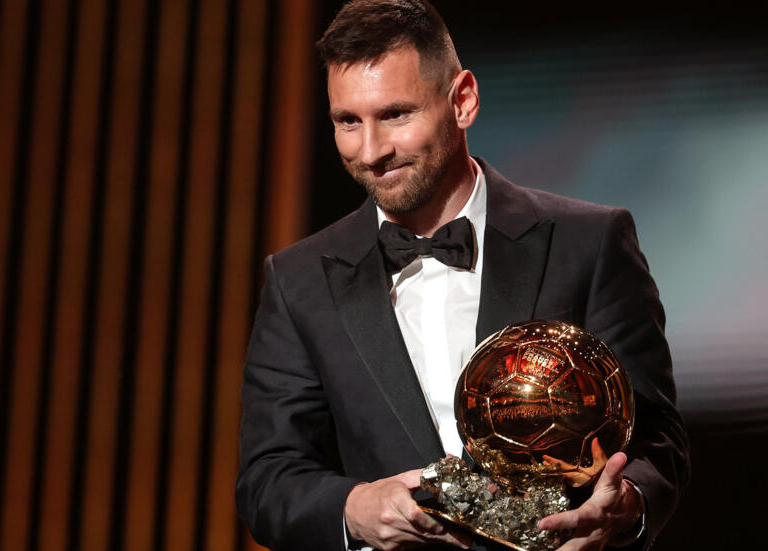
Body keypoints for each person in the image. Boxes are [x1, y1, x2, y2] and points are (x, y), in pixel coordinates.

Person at [235, 1, 689, 550]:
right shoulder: (298, 280)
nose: (371, 151)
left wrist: (624, 508)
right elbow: (267, 478)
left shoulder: (590, 243)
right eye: (347, 122)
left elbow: (658, 439)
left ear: (463, 100)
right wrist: (354, 509)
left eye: (396, 114)